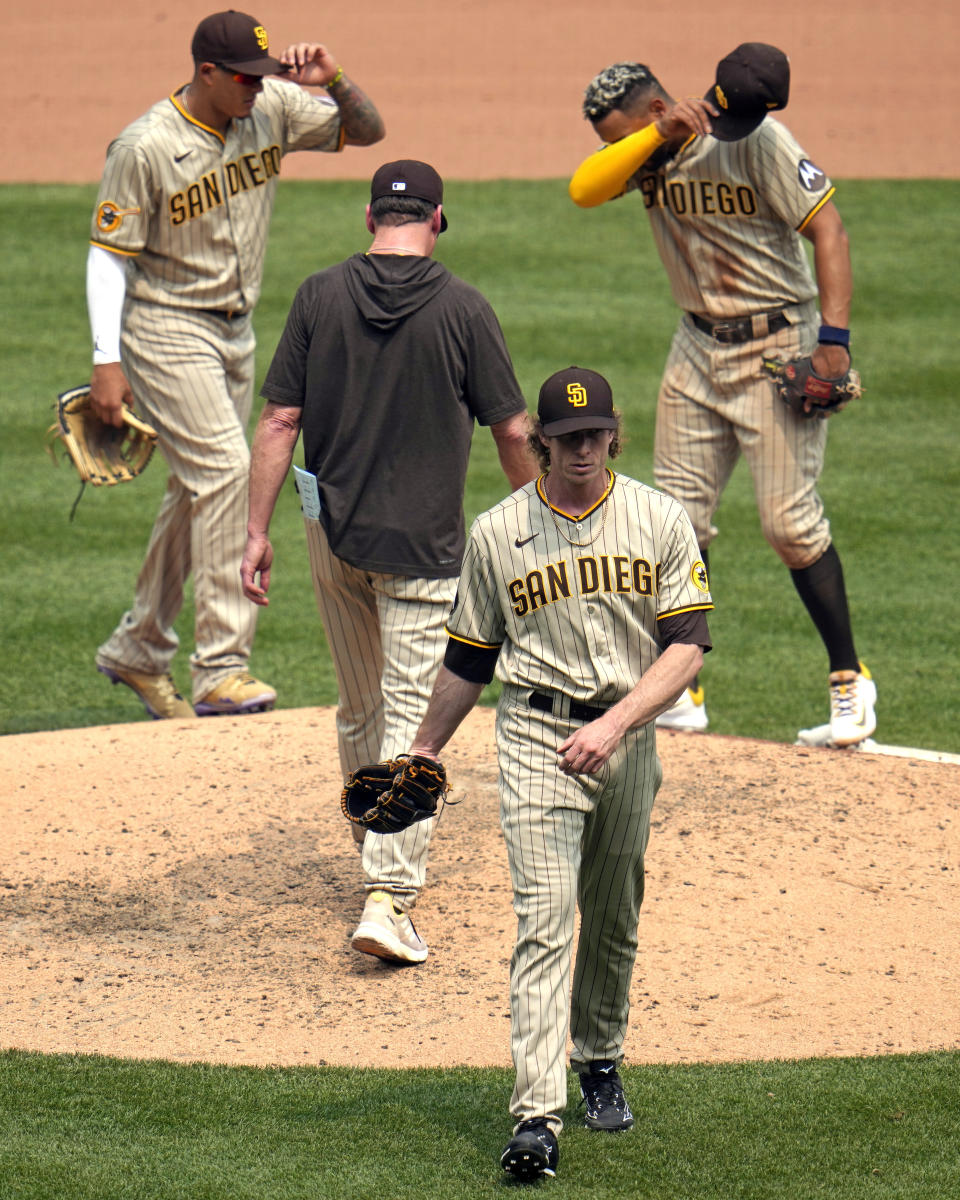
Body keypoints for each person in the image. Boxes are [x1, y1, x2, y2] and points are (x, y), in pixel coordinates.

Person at [402, 366, 713, 1181]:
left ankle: (599, 1057)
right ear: (541, 442)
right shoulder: (498, 533)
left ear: (614, 435)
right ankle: (536, 1117)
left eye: (594, 434)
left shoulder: (659, 518)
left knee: (613, 914)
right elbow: (469, 659)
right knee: (545, 920)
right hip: (537, 736)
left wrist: (615, 725)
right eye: (565, 437)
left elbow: (685, 648)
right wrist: (426, 748)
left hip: (628, 733)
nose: (582, 448)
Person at [240, 159, 538, 965]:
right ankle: (389, 896)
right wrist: (540, 516)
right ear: (438, 220)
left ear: (368, 216)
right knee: (417, 720)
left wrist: (255, 529)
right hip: (425, 553)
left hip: (331, 538)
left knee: (357, 706)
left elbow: (278, 420)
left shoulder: (317, 295)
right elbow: (513, 431)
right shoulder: (465, 307)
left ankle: (374, 844)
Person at [569, 44, 876, 748]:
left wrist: (834, 338)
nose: (619, 151)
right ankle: (679, 689)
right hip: (696, 348)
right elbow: (585, 189)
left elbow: (827, 227)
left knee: (788, 527)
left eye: (622, 135)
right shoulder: (647, 144)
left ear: (650, 106)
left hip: (777, 344)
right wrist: (655, 138)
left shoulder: (760, 140)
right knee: (676, 524)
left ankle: (850, 680)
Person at [88, 10, 385, 721]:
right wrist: (107, 358)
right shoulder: (145, 145)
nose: (258, 87)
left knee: (195, 491)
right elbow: (109, 254)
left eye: (264, 75)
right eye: (245, 78)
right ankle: (221, 666)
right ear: (207, 72)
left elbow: (367, 131)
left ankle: (139, 647)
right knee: (227, 472)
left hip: (235, 331)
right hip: (164, 324)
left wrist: (332, 79)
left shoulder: (274, 105)